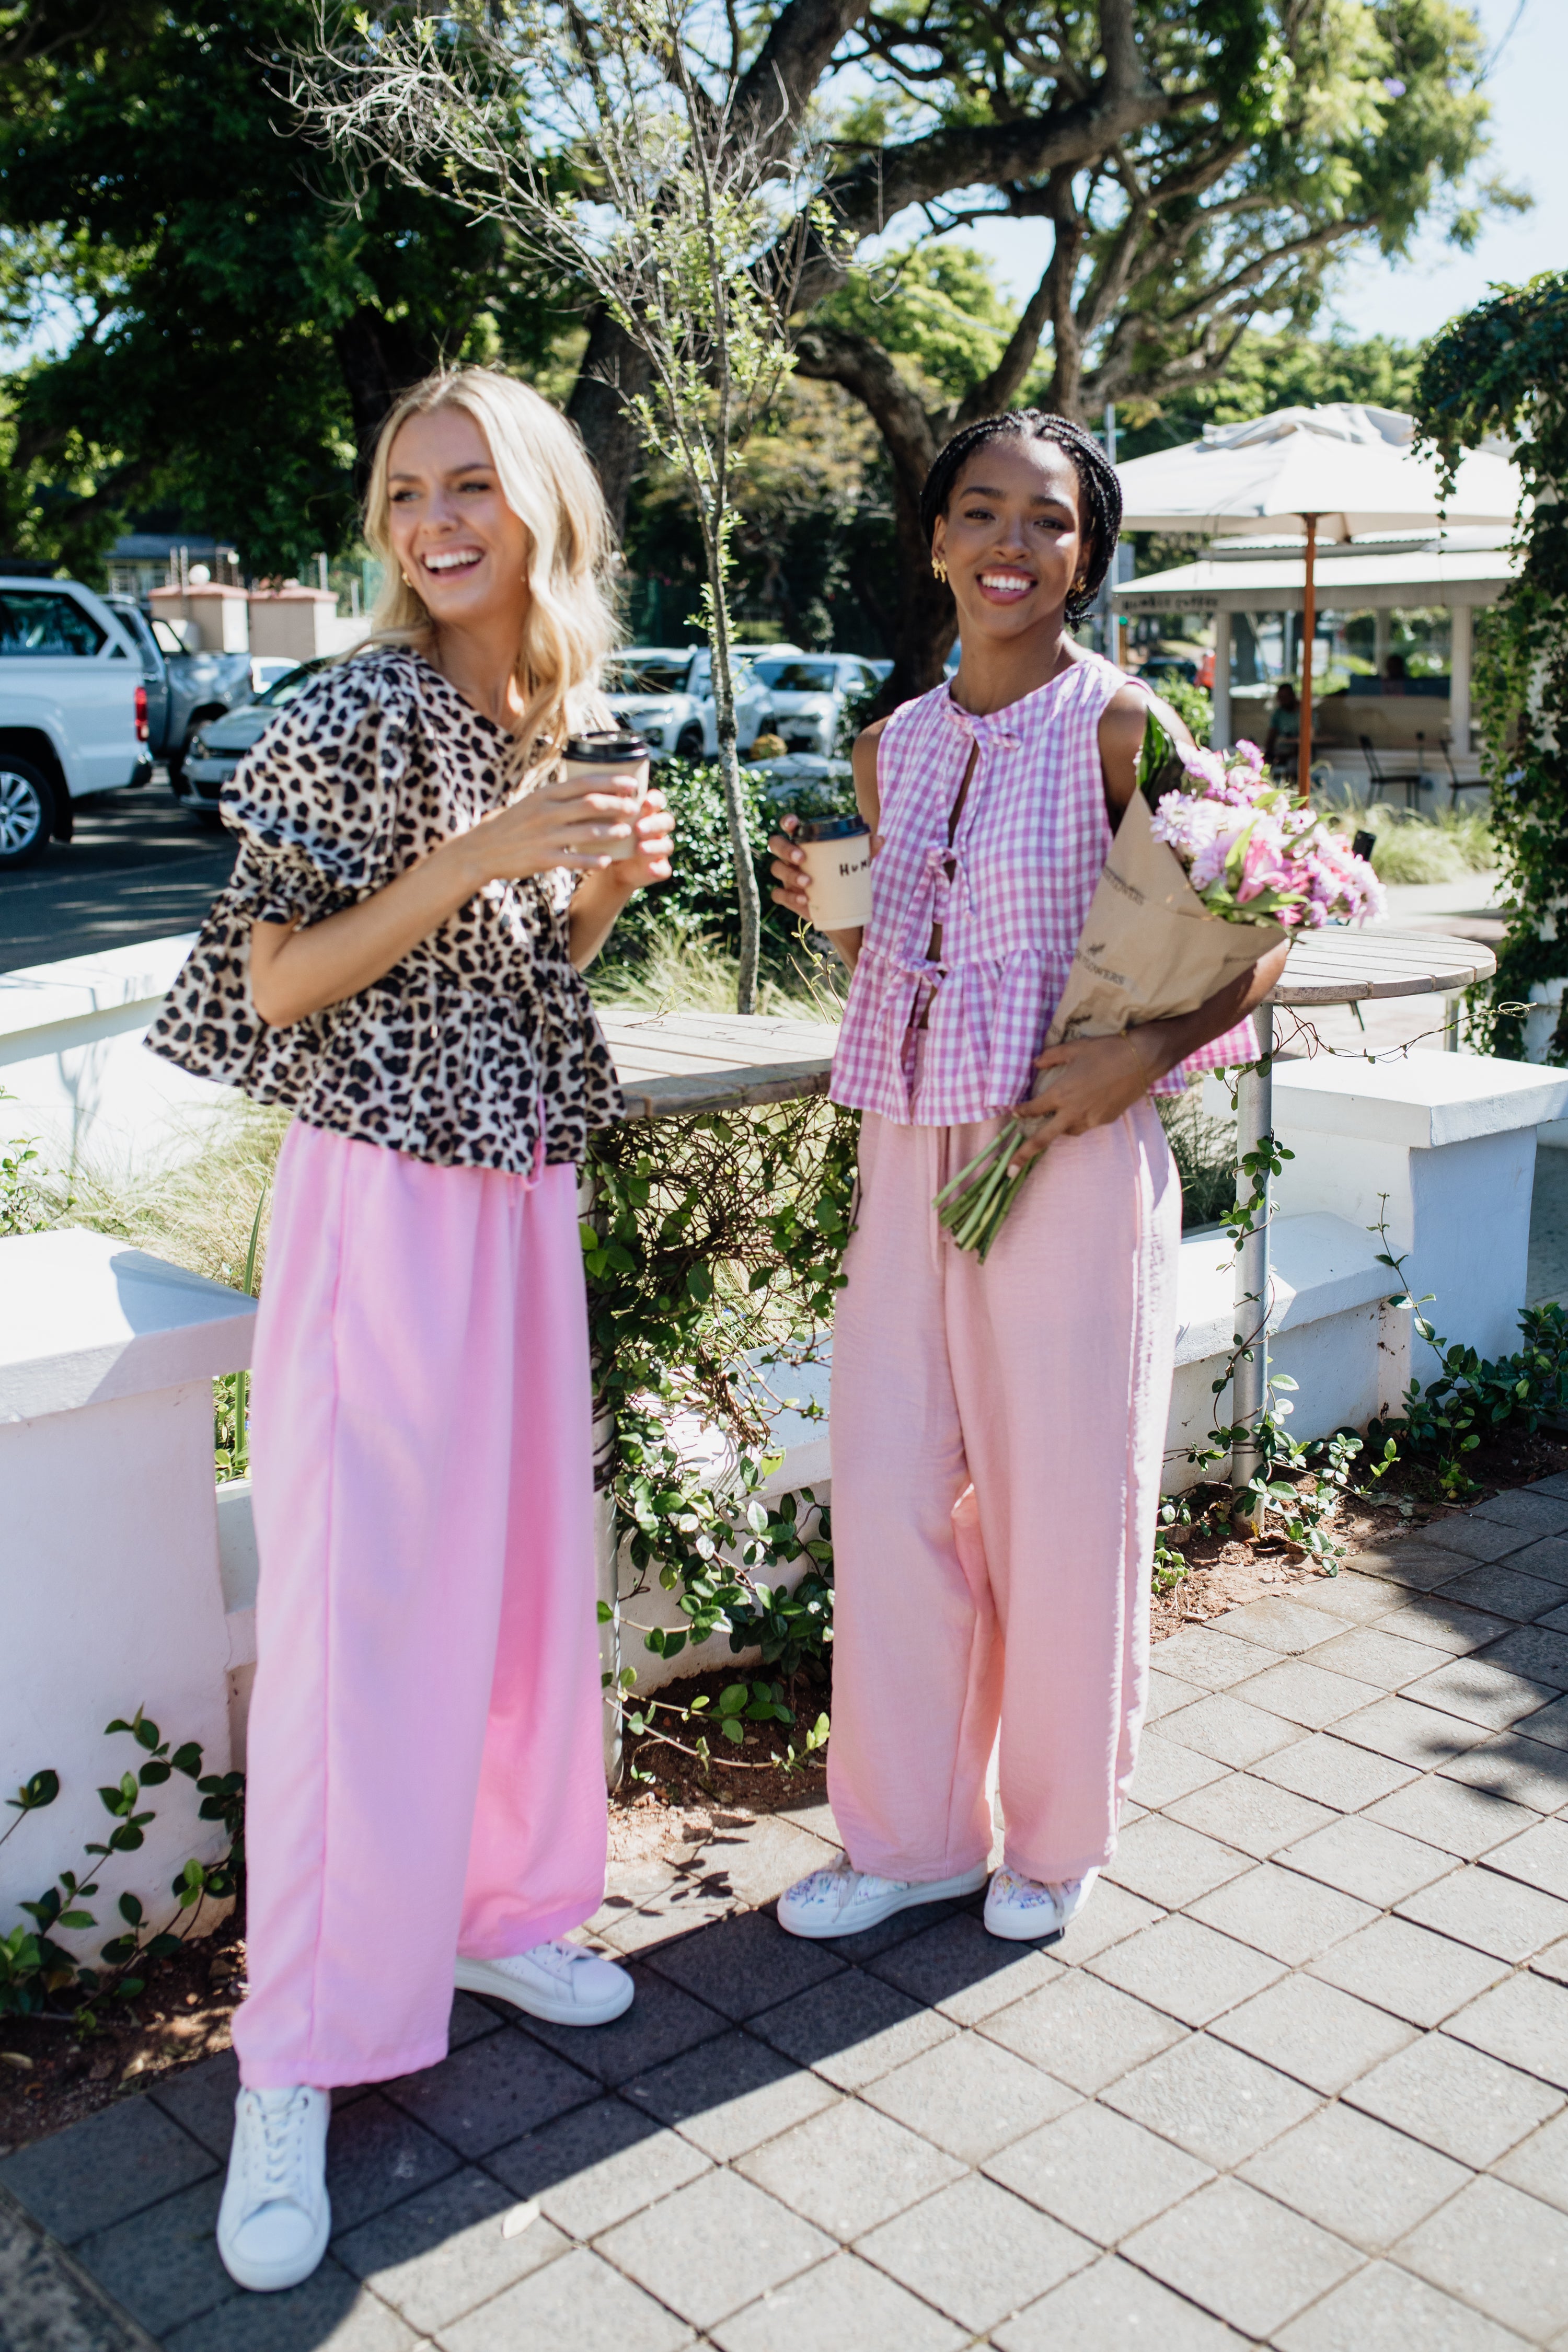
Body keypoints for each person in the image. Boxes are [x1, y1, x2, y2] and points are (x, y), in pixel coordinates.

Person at [147, 367, 673, 2293]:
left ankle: (499, 1905)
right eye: (403, 490)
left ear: (541, 505)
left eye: (472, 485)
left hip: (521, 1190)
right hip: (379, 1204)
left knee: (523, 1584)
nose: (434, 519)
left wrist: (596, 884)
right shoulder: (354, 706)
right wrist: (483, 855)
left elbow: (518, 966)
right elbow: (272, 983)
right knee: (361, 1626)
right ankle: (291, 2061)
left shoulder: (549, 712)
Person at [768, 410, 1287, 1947]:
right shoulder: (891, 746)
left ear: (1085, 556)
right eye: (979, 512)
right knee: (891, 1494)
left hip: (1066, 1142)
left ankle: (1053, 1843)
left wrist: (1148, 1057)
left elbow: (1251, 938)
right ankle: (912, 1832)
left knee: (1063, 1505)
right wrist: (835, 917)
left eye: (1046, 521)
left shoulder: (1126, 727)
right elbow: (901, 967)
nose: (1009, 542)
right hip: (907, 1148)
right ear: (934, 540)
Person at [1263, 677, 1300, 768]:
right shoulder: (1279, 713)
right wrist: (1269, 753)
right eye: (1280, 698)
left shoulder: (1304, 713)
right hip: (1282, 750)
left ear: (1292, 696)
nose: (1282, 701)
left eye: (1285, 698)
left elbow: (1310, 737)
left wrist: (1290, 755)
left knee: (1294, 764)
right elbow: (1271, 735)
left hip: (1300, 752)